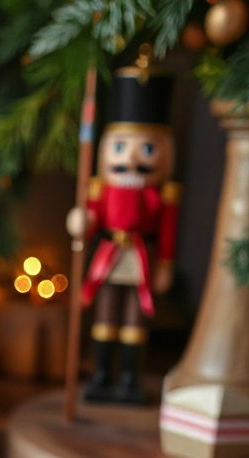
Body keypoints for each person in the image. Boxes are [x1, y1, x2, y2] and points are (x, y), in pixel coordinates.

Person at [67, 67, 180, 403]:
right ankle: (101, 374)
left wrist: (165, 266)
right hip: (109, 256)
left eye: (147, 149)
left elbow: (167, 231)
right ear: (105, 150)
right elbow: (90, 219)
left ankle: (130, 379)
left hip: (142, 259)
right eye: (120, 147)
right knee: (105, 314)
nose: (130, 159)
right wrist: (80, 221)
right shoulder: (100, 189)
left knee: (135, 318)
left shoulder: (162, 196)